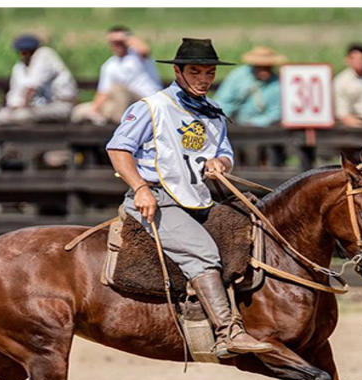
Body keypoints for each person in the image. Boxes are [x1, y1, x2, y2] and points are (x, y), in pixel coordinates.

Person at [105, 38, 273, 358]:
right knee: (204, 253)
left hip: (198, 198)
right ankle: (228, 332)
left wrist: (220, 164)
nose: (203, 79)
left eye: (208, 73)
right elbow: (118, 148)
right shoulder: (151, 107)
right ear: (178, 72)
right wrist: (140, 188)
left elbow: (224, 153)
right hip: (157, 198)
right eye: (195, 71)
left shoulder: (214, 113)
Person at [71, 26, 162, 125]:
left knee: (118, 89)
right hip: (121, 104)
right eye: (113, 43)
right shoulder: (109, 65)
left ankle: (122, 128)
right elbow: (103, 93)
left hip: (147, 101)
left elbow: (145, 49)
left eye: (120, 42)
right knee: (80, 111)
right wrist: (94, 110)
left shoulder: (139, 57)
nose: (117, 45)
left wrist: (125, 36)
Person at [0, 34, 78, 125]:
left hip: (60, 105)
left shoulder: (45, 55)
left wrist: (22, 106)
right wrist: (13, 105)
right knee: (0, 117)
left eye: (28, 51)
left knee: (22, 116)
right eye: (22, 52)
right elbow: (15, 91)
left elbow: (33, 86)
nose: (24, 55)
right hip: (37, 107)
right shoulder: (19, 67)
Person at [213, 46, 286, 127]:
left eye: (267, 67)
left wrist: (256, 123)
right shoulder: (238, 76)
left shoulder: (276, 84)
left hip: (262, 127)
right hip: (234, 122)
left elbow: (276, 112)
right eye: (259, 67)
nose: (263, 71)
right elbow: (223, 101)